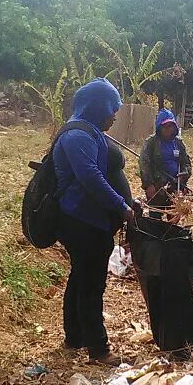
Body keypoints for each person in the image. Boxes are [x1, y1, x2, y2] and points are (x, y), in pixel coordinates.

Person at [52, 77, 134, 366]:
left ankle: (74, 337)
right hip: (81, 221)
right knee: (91, 285)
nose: (114, 115)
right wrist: (121, 206)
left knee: (79, 278)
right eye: (111, 108)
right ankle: (98, 349)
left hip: (90, 220)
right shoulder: (76, 136)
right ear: (97, 106)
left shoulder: (90, 131)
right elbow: (91, 179)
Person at [138, 108, 192, 209]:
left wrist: (184, 175)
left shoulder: (178, 143)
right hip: (157, 187)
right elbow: (144, 164)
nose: (168, 128)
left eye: (170, 126)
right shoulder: (151, 143)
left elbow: (186, 163)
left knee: (173, 217)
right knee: (155, 217)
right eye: (165, 126)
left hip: (175, 188)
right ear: (159, 127)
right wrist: (148, 184)